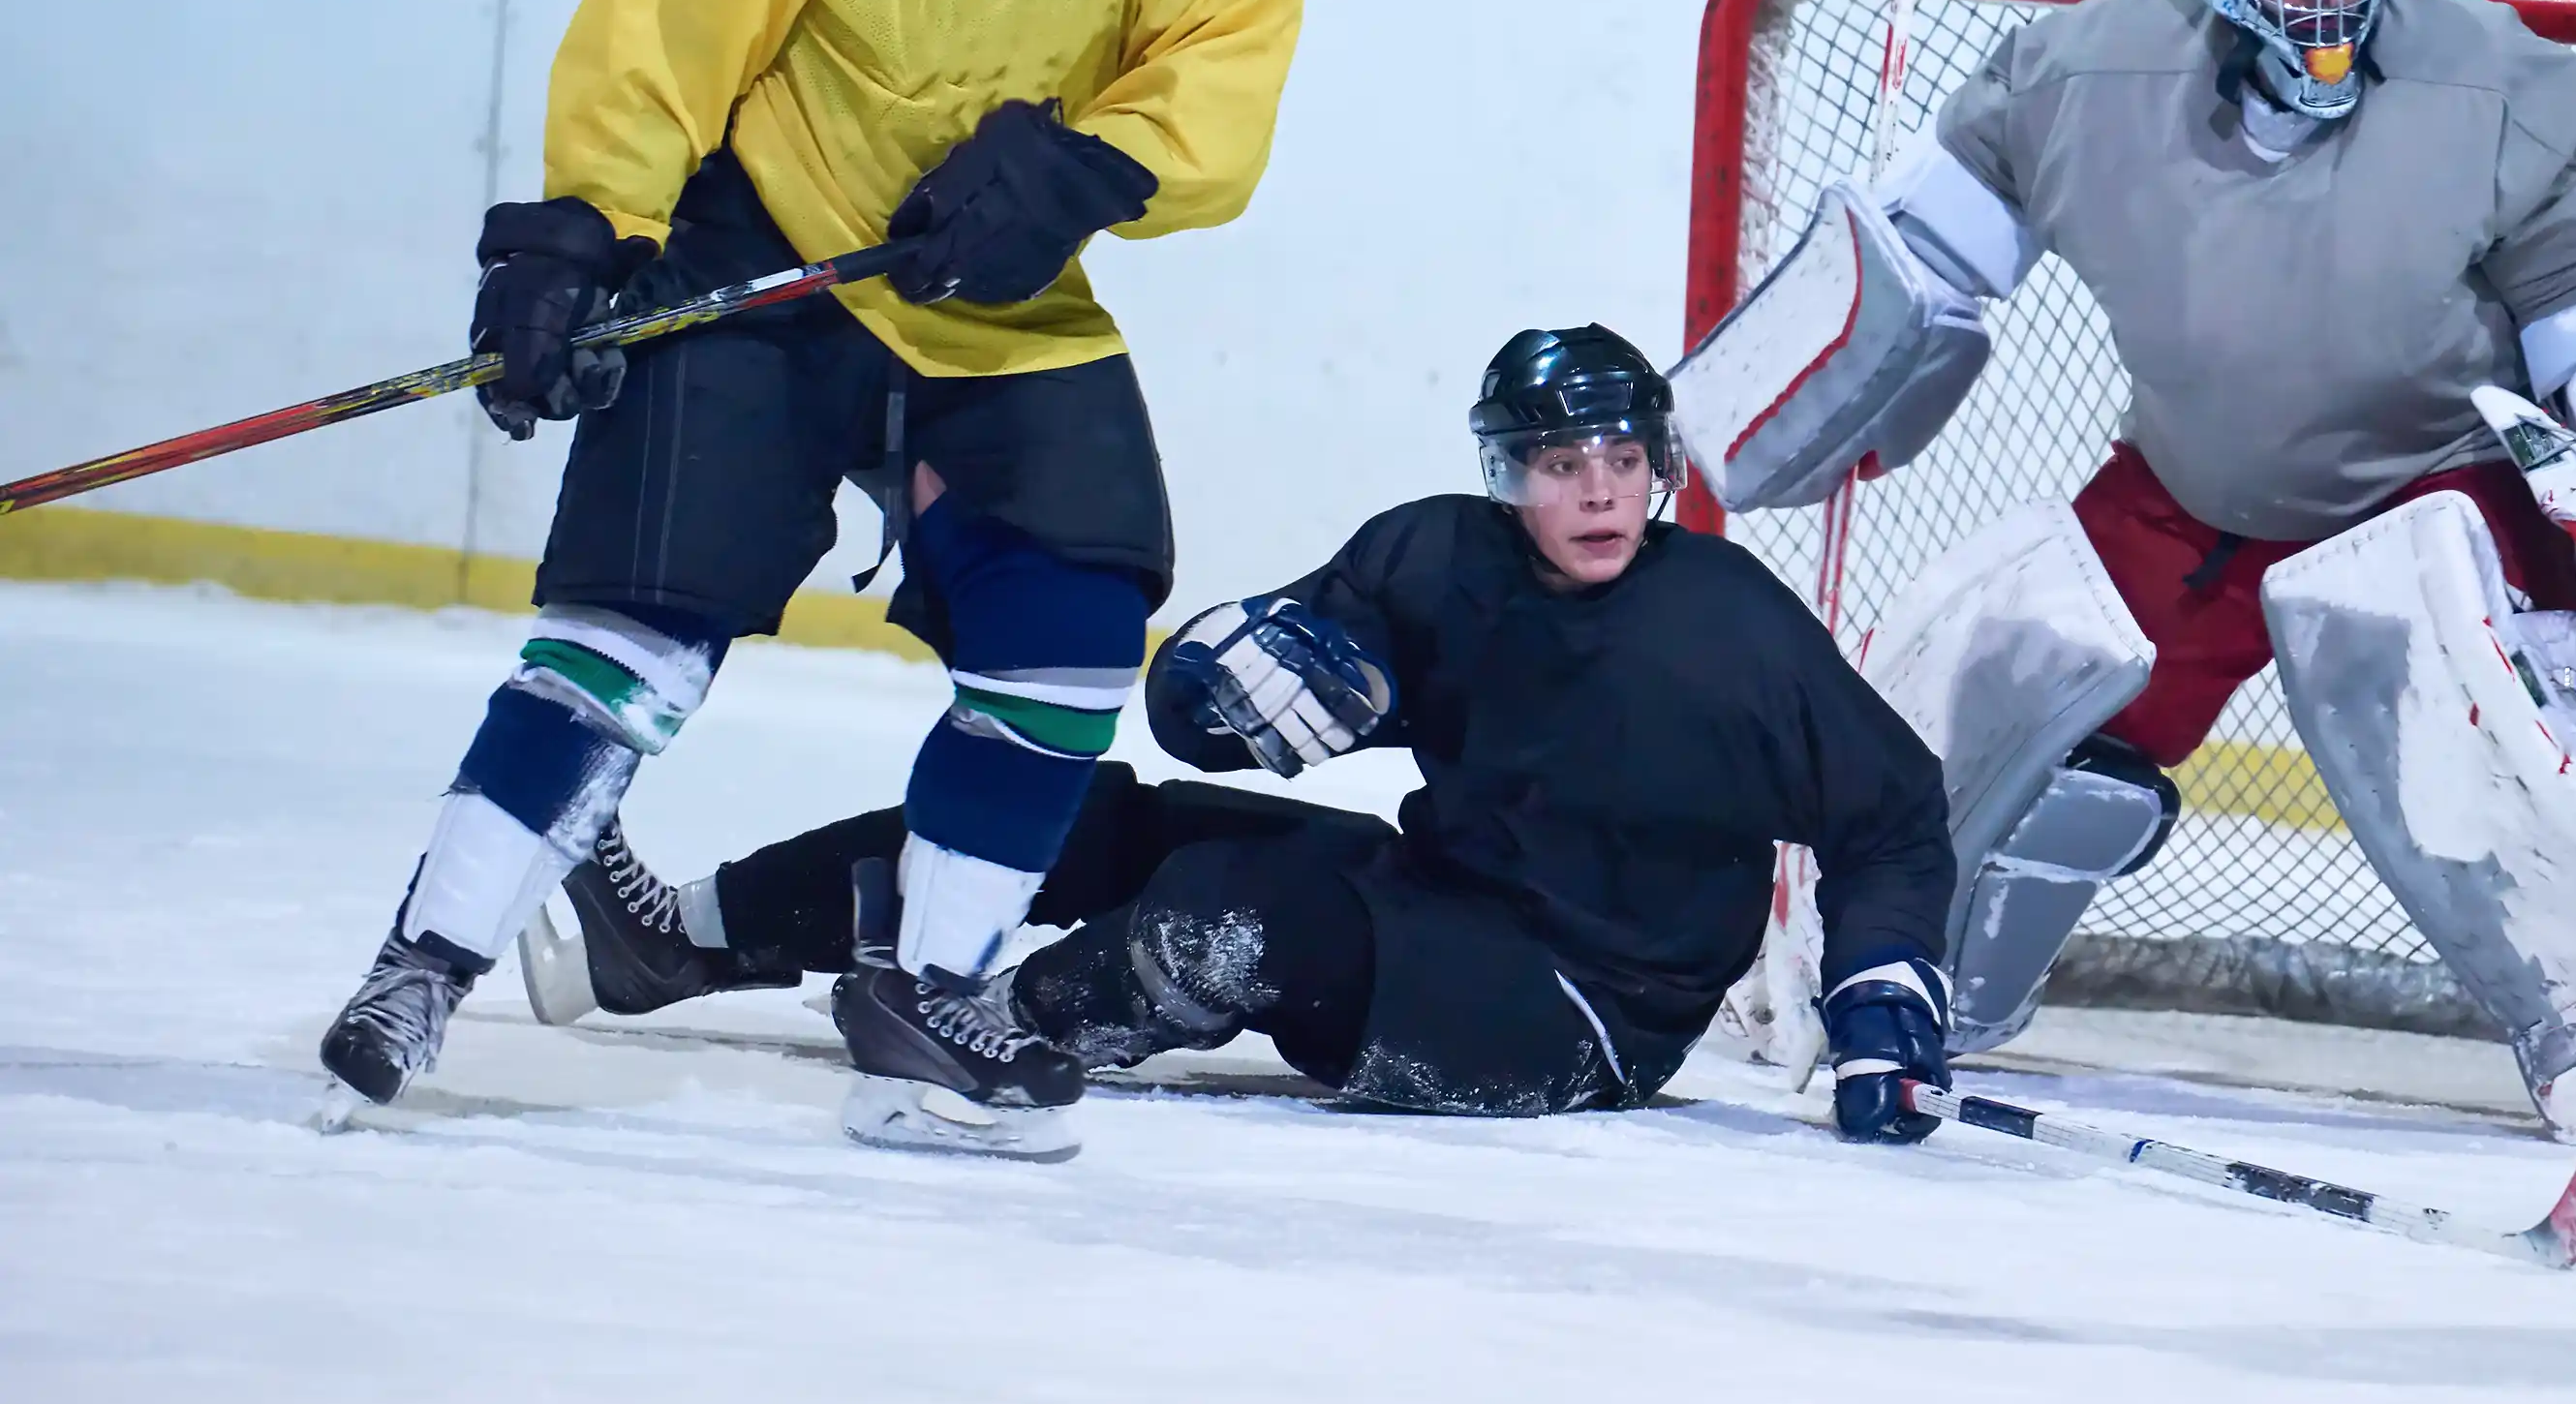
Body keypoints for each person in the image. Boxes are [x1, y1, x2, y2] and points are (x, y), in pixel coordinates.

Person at [317, 0, 1309, 1161]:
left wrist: (1087, 170)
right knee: (643, 625)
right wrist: (577, 233)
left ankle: (931, 990)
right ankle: (429, 957)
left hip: (987, 290)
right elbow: (669, 10)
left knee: (1072, 631)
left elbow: (1217, 72)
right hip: (761, 240)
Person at [1673, 0, 2576, 1149]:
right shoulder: (2079, 81)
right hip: (2193, 490)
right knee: (2013, 714)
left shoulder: (2503, 87)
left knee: (2475, 735)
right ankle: (1894, 972)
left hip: (2435, 485)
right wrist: (1844, 365)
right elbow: (1925, 262)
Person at [536, 328, 1961, 1148]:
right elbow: (1215, 708)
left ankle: (987, 1036)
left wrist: (1886, 998)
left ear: (1657, 468)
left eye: (1624, 463)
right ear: (1503, 472)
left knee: (1241, 915)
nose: (1597, 493)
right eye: (1557, 463)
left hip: (1586, 1014)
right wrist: (1210, 697)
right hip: (1449, 901)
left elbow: (1892, 816)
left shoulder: (1731, 631)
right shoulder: (1434, 558)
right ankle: (686, 939)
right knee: (1102, 819)